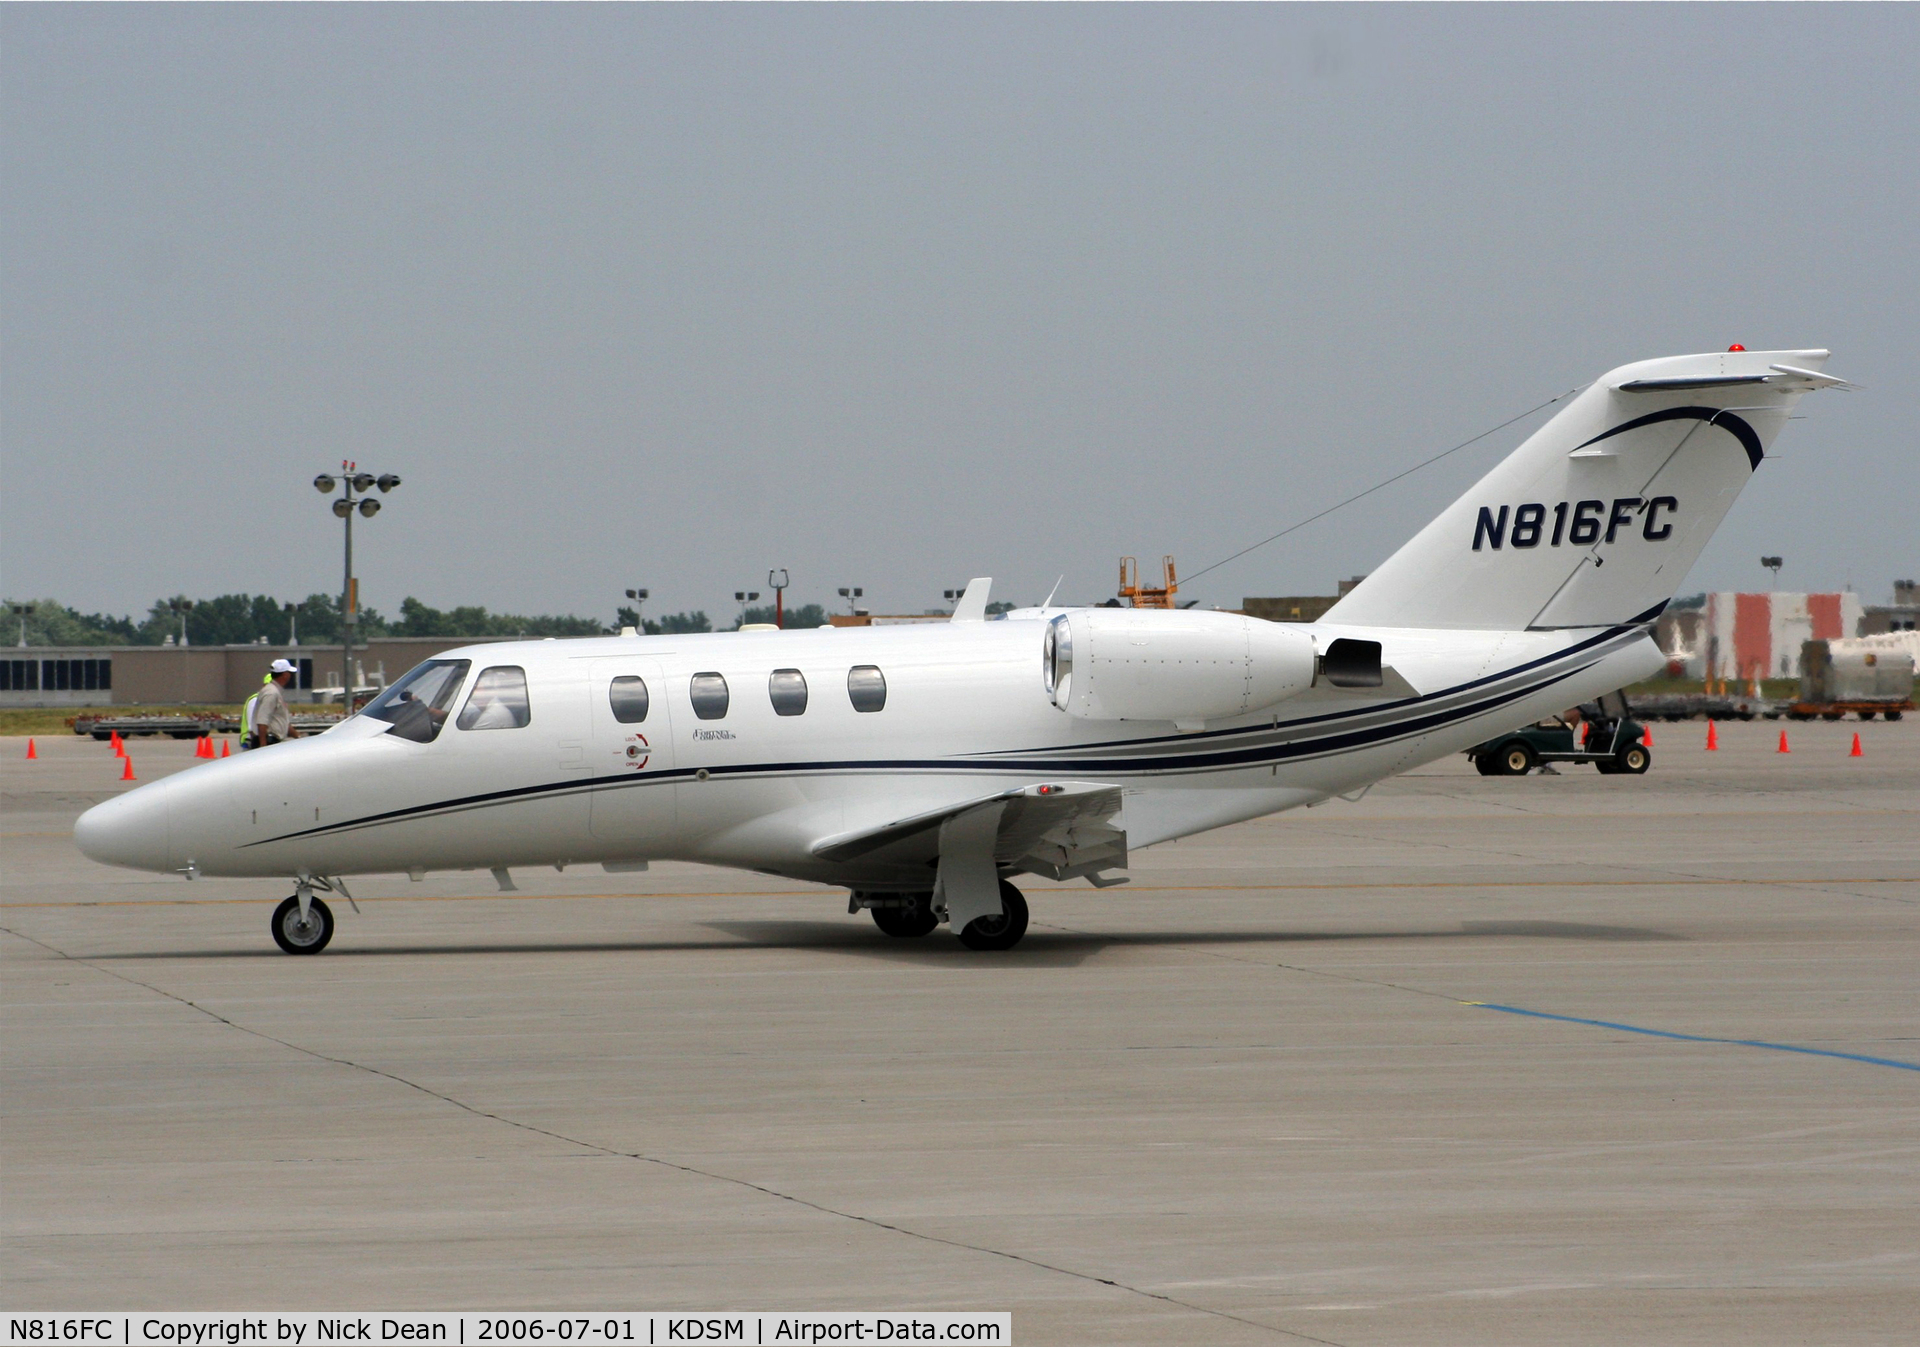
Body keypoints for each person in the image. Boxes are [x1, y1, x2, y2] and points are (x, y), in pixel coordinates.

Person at [249, 658, 300, 749]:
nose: (290, 676)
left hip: (272, 741)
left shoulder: (275, 692)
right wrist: (263, 746)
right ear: (285, 675)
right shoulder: (271, 693)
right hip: (268, 742)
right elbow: (262, 721)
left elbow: (282, 722)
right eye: (289, 673)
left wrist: (298, 738)